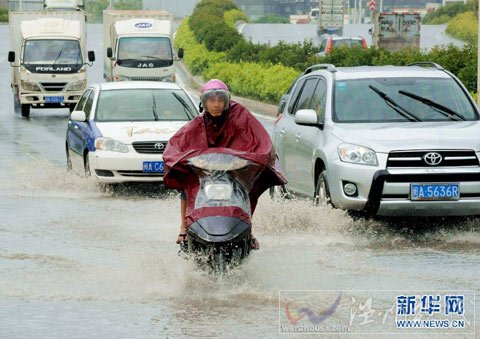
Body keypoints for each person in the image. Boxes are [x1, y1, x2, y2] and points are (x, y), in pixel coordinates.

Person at [163, 79, 286, 251]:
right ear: (204, 103)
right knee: (188, 185)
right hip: (204, 171)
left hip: (235, 171)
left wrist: (252, 159)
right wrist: (184, 160)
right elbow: (176, 146)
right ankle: (184, 227)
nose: (216, 105)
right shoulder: (197, 124)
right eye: (211, 100)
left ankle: (248, 230)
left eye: (220, 100)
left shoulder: (240, 116)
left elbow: (261, 140)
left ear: (227, 101)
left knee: (247, 190)